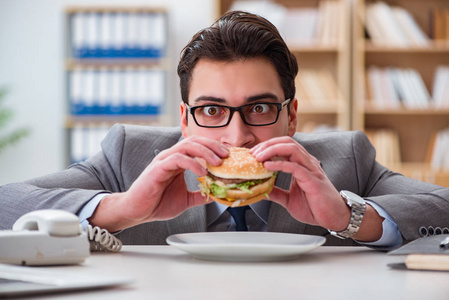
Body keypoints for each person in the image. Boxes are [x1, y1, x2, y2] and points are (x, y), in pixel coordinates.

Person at [1, 11, 448, 249]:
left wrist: (350, 218)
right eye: (212, 110)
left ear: (292, 116)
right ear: (183, 119)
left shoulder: (343, 159)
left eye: (259, 107)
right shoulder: (128, 156)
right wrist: (121, 211)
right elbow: (6, 203)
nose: (237, 138)